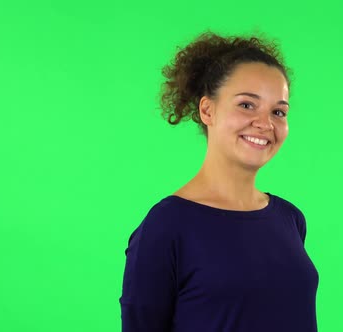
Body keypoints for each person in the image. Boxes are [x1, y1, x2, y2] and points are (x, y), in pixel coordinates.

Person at [119, 30, 319, 332]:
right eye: (247, 105)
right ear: (207, 110)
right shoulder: (167, 227)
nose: (265, 123)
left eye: (278, 111)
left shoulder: (289, 219)